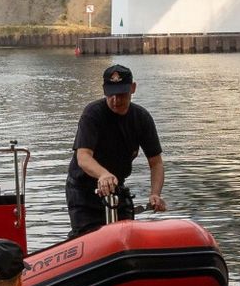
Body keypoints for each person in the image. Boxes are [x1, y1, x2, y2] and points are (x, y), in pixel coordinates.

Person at [64, 63, 165, 238]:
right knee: (89, 238)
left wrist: (155, 193)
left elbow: (155, 162)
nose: (116, 100)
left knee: (128, 236)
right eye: (111, 94)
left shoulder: (141, 118)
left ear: (132, 89)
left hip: (117, 188)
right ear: (104, 91)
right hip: (84, 190)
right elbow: (83, 156)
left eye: (121, 94)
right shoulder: (92, 114)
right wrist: (103, 174)